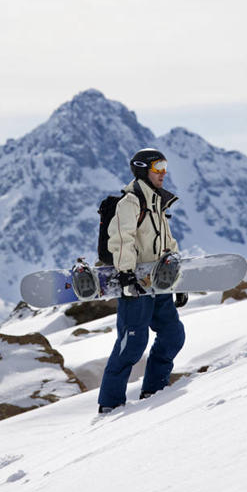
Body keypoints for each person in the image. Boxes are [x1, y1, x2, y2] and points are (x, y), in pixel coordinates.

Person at [97, 148, 186, 413]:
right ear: (142, 169)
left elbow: (169, 244)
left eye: (165, 166)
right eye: (158, 167)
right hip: (134, 285)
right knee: (132, 344)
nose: (163, 172)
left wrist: (178, 283)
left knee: (172, 336)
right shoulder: (130, 203)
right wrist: (125, 276)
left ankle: (153, 390)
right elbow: (122, 240)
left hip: (158, 283)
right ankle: (110, 404)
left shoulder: (158, 202)